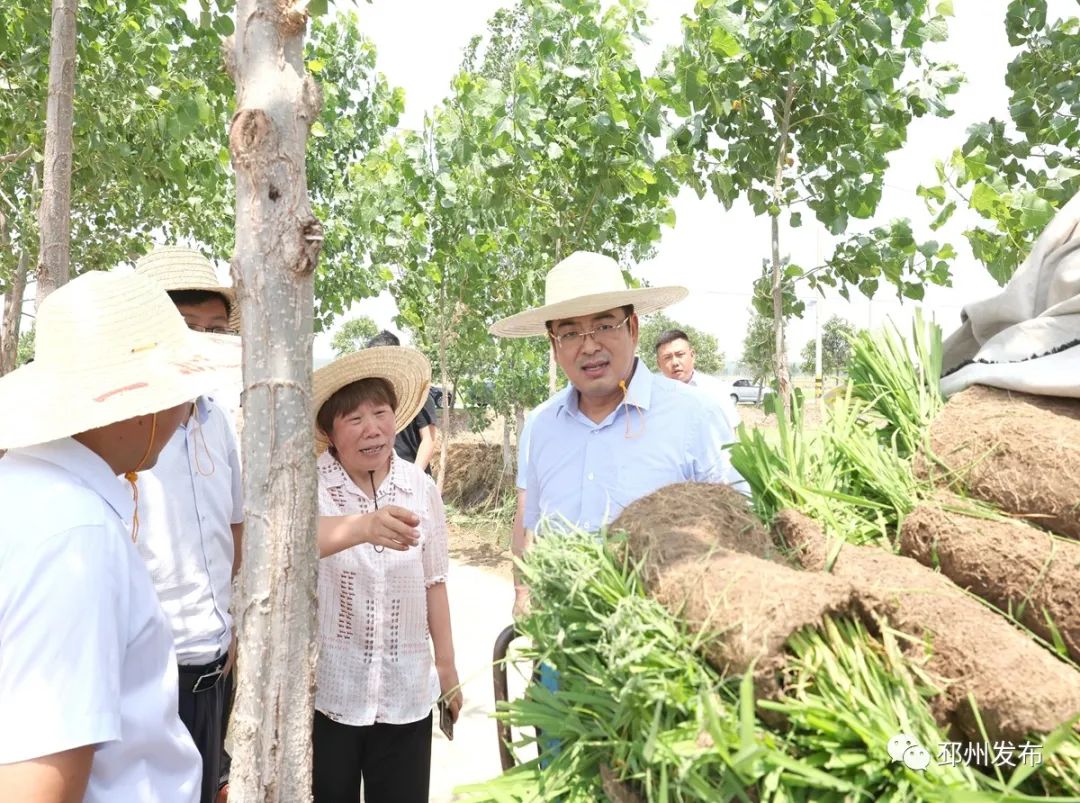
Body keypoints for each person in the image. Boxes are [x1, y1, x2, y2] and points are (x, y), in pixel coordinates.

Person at [0, 270, 238, 801]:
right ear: (138, 400)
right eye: (178, 390)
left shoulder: (28, 487)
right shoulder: (76, 536)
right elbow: (39, 785)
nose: (183, 414)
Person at [491, 250, 748, 544]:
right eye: (571, 333)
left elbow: (740, 529)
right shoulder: (542, 425)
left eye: (604, 326)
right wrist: (523, 590)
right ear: (553, 344)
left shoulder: (697, 416)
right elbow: (531, 529)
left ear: (633, 329)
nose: (589, 347)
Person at [309, 346, 462, 803]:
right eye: (354, 419)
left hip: (406, 694)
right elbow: (292, 542)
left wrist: (447, 668)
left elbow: (434, 583)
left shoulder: (420, 489)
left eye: (380, 413)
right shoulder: (311, 484)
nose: (371, 428)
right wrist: (362, 527)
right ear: (330, 433)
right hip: (331, 695)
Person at [133, 246, 244, 803]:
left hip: (214, 662)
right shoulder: (128, 429)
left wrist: (230, 619)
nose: (202, 339)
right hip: (149, 669)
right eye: (187, 326)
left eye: (214, 328)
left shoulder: (217, 422)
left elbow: (235, 529)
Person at [365, 330, 439, 474]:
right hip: (380, 479)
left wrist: (413, 476)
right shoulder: (369, 397)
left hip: (413, 475)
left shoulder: (418, 395)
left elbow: (429, 439)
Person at [654, 327, 741, 429]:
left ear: (692, 355)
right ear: (659, 364)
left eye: (680, 355)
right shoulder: (650, 394)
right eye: (667, 357)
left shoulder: (716, 390)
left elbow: (731, 430)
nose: (675, 363)